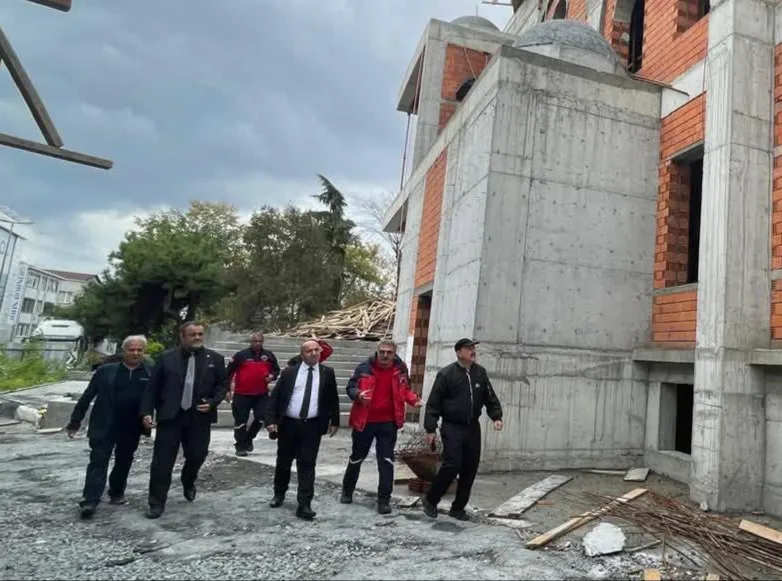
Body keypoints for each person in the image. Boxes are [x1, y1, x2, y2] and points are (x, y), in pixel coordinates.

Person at [141, 322, 228, 519]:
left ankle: (188, 480)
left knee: (198, 455)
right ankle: (156, 503)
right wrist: (147, 412)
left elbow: (223, 384)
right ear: (182, 336)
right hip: (171, 417)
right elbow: (151, 389)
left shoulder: (214, 358)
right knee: (162, 462)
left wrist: (213, 402)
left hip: (199, 417)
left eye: (200, 334)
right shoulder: (166, 358)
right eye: (192, 335)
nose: (197, 337)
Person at [66, 335, 153, 519]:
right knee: (98, 461)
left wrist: (151, 416)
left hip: (131, 427)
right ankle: (90, 500)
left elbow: (155, 398)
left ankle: (116, 492)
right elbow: (87, 397)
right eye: (132, 349)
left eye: (139, 350)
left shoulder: (149, 372)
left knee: (124, 460)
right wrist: (75, 422)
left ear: (144, 352)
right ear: (124, 351)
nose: (135, 353)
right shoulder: (106, 371)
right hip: (103, 425)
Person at [422, 338, 503, 521]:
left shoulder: (480, 373)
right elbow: (433, 404)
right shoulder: (446, 374)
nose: (473, 351)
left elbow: (490, 397)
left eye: (473, 348)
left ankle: (458, 508)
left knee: (470, 467)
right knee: (453, 464)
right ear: (459, 352)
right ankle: (430, 500)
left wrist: (496, 416)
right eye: (468, 348)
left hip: (472, 426)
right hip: (452, 426)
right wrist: (430, 428)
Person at [340, 340, 422, 514]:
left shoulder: (400, 369)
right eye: (382, 352)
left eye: (389, 353)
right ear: (377, 351)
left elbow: (405, 389)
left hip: (388, 423)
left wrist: (413, 399)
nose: (385, 356)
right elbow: (350, 387)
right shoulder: (364, 367)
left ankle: (384, 500)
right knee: (357, 458)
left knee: (386, 461)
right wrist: (358, 394)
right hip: (365, 421)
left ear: (394, 353)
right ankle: (347, 491)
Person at [265, 340, 339, 520]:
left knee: (307, 464)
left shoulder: (327, 373)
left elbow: (332, 398)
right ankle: (279, 493)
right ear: (302, 354)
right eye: (309, 351)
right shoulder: (290, 372)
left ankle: (304, 503)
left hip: (312, 425)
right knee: (284, 461)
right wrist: (271, 420)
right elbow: (276, 397)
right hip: (289, 424)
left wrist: (335, 421)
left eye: (316, 350)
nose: (314, 353)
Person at [226, 332, 280, 456]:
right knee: (241, 421)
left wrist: (272, 376)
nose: (257, 344)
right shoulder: (241, 355)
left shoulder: (268, 355)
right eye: (255, 341)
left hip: (261, 394)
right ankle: (240, 446)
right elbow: (228, 373)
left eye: (260, 341)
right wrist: (227, 390)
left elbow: (276, 370)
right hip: (241, 394)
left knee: (262, 417)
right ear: (250, 342)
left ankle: (249, 439)